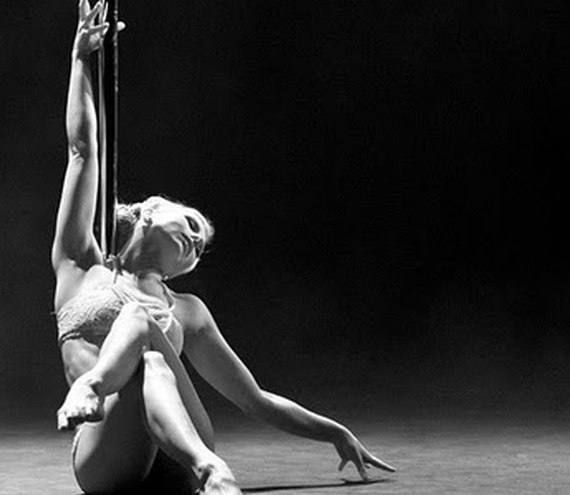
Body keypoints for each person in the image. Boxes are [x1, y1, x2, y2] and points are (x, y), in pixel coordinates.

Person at [53, 1, 396, 493]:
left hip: (175, 456)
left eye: (200, 248)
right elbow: (83, 152)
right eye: (193, 225)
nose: (197, 240)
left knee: (148, 341)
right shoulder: (80, 266)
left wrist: (333, 432)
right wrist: (80, 59)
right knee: (142, 334)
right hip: (107, 452)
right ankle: (107, 398)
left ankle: (208, 469)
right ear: (151, 209)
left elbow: (254, 399)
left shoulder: (187, 310)